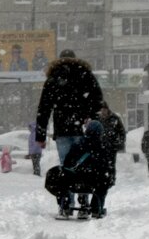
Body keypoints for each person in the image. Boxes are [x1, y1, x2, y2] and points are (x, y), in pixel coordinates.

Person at [34, 49, 105, 218]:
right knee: (84, 165)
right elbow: (97, 99)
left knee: (66, 166)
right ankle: (84, 202)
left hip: (62, 130)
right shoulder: (86, 75)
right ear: (76, 59)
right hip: (82, 129)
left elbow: (44, 108)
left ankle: (66, 203)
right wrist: (90, 118)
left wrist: (40, 136)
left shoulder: (53, 78)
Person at [52, 119, 107, 220]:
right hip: (93, 183)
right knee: (103, 181)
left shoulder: (77, 144)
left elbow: (66, 164)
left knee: (63, 178)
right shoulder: (102, 147)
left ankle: (65, 207)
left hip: (73, 182)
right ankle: (95, 209)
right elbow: (104, 167)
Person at [91, 102, 124, 217]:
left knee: (109, 169)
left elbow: (121, 133)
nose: (102, 112)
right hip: (98, 150)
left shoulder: (114, 119)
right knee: (101, 173)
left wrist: (117, 145)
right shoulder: (96, 119)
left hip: (110, 150)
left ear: (107, 109)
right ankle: (99, 200)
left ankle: (109, 180)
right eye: (101, 110)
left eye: (104, 109)